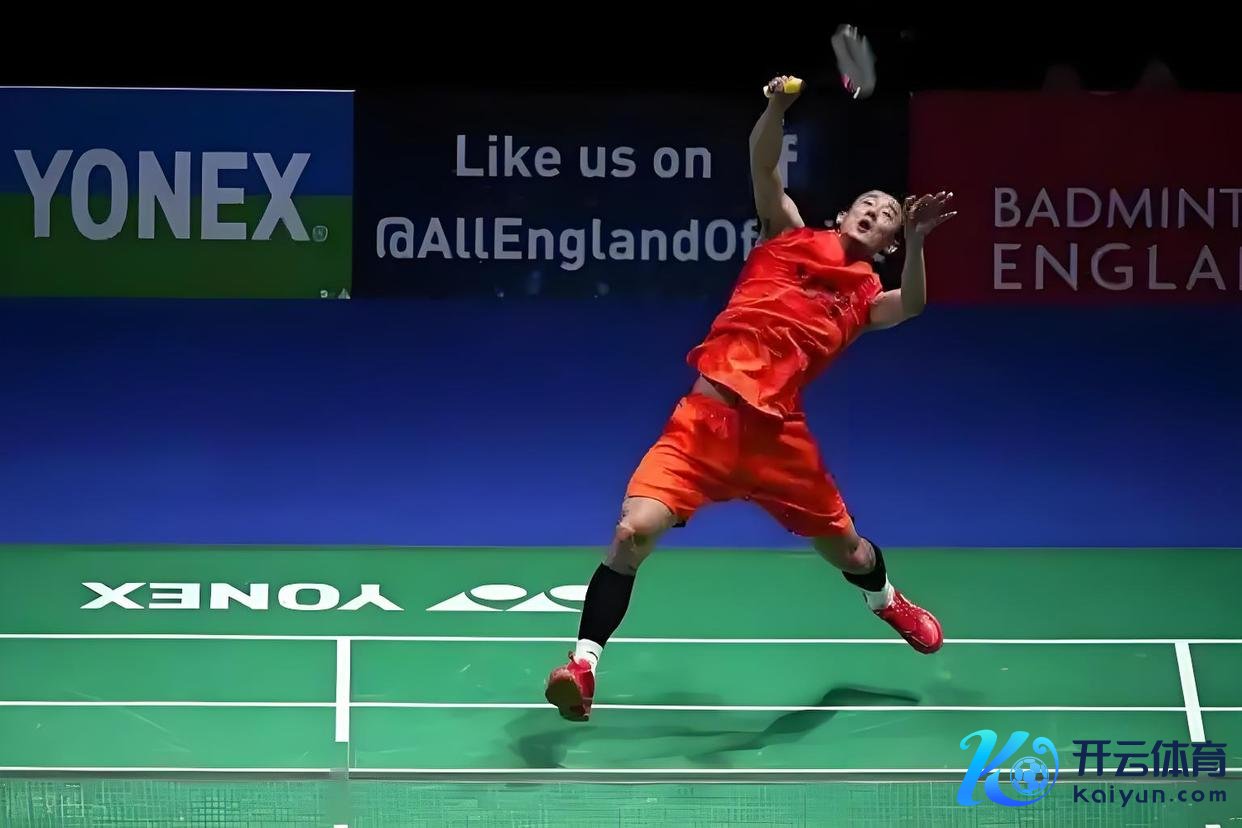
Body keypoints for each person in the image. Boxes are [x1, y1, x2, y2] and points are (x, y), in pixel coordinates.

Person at [545, 74, 957, 722]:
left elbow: (912, 304)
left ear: (888, 244)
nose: (875, 212)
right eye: (867, 204)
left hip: (777, 441)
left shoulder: (864, 299)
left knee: (850, 551)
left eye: (888, 217)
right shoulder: (786, 235)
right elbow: (764, 166)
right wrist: (776, 106)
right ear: (843, 213)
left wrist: (923, 243)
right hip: (703, 422)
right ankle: (583, 666)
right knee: (630, 534)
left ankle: (886, 602)